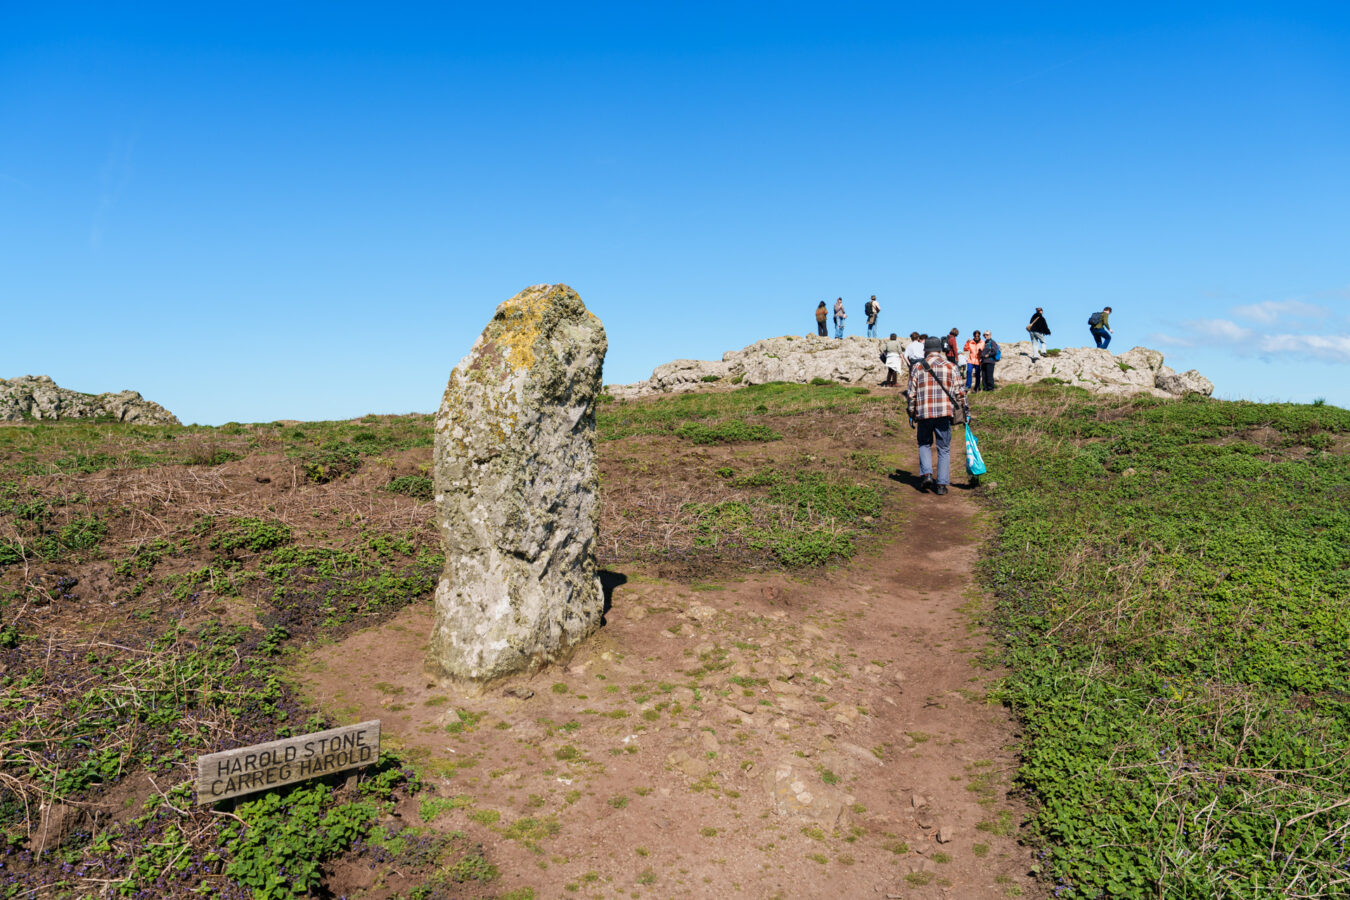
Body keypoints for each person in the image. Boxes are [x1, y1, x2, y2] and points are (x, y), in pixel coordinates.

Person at [907, 336, 967, 496]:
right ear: (940, 350)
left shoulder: (917, 367)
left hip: (924, 413)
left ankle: (926, 474)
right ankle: (941, 485)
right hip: (944, 413)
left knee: (924, 444)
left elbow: (911, 394)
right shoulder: (951, 366)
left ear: (925, 350)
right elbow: (960, 391)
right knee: (944, 448)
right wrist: (965, 410)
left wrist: (911, 413)